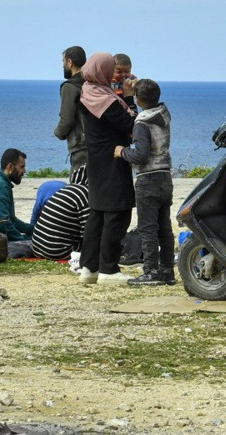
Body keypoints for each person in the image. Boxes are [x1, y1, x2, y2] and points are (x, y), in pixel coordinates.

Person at [78, 53, 136, 285]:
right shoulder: (107, 100)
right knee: (117, 213)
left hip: (96, 160)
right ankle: (108, 270)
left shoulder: (88, 91)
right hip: (113, 160)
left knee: (98, 214)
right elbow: (130, 125)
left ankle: (89, 268)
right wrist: (130, 98)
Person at [114, 79, 175, 286]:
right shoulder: (164, 114)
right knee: (164, 227)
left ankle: (151, 271)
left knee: (147, 228)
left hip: (148, 178)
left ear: (138, 100)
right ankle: (167, 270)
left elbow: (140, 155)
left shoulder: (142, 123)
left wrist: (122, 152)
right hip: (165, 176)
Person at [31, 166, 89, 270]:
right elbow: (89, 233)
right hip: (57, 251)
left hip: (36, 247)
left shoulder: (66, 189)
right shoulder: (85, 195)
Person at [0, 148, 33, 243]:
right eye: (22, 167)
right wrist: (23, 239)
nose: (24, 171)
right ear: (10, 167)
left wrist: (32, 229)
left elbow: (11, 220)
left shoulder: (1, 181)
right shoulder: (0, 186)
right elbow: (2, 223)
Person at [54, 46, 87, 170]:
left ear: (70, 62)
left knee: (79, 180)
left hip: (80, 146)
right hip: (95, 142)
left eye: (63, 62)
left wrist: (58, 132)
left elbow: (67, 119)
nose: (63, 66)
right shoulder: (91, 82)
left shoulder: (69, 87)